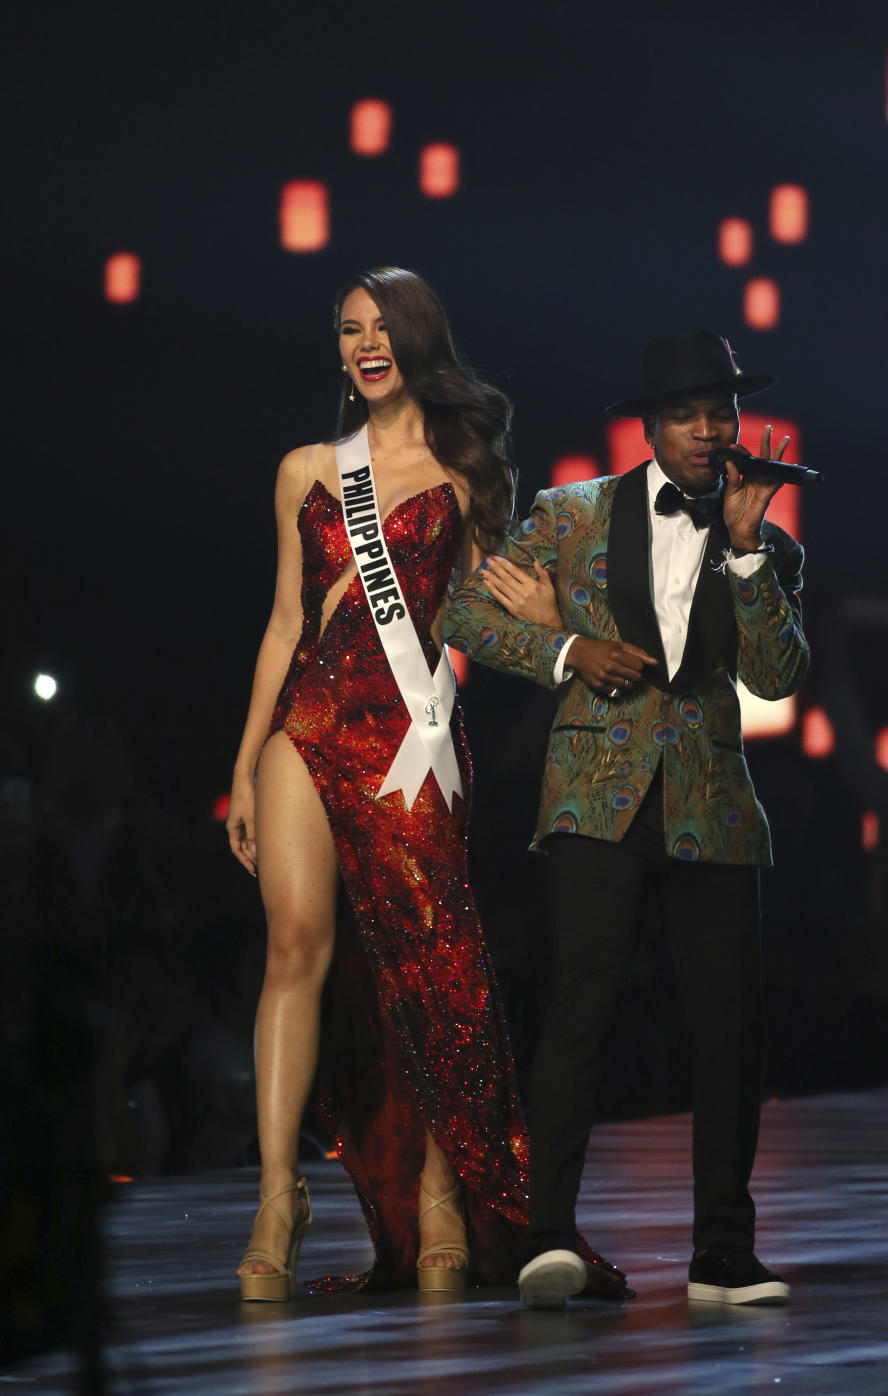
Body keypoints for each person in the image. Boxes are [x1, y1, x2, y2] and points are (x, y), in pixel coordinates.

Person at [226, 267, 626, 1301]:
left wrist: (545, 618)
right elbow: (283, 621)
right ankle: (279, 1197)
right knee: (293, 943)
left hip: (410, 735)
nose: (365, 345)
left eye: (382, 328)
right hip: (307, 724)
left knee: (435, 968)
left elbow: (485, 625)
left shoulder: (466, 471)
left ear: (417, 340)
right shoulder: (305, 469)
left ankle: (445, 1197)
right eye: (349, 329)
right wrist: (240, 763)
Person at [441, 329, 810, 1308]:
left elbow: (777, 676)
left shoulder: (765, 546)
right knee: (582, 1009)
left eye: (720, 413)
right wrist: (567, 650)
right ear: (651, 425)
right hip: (596, 798)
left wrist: (741, 553)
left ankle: (722, 1254)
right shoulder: (572, 514)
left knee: (729, 1028)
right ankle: (546, 1237)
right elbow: (463, 617)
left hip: (712, 806)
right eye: (688, 413)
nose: (707, 429)